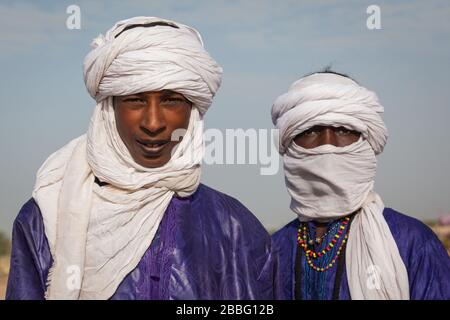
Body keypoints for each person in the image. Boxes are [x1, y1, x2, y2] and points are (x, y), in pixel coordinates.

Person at [6, 16, 278, 300]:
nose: (153, 122)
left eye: (171, 100)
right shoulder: (47, 220)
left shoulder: (235, 229)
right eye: (135, 99)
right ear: (109, 109)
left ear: (193, 111)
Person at [271, 69, 450, 300]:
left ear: (367, 143)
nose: (328, 145)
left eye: (344, 130)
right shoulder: (272, 251)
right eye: (311, 130)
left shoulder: (411, 242)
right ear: (290, 145)